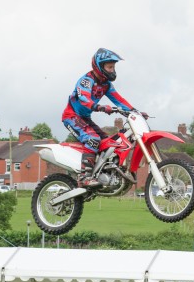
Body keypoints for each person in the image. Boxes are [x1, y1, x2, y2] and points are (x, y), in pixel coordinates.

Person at [62, 47, 147, 188]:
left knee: (108, 143)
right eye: (109, 67)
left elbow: (119, 100)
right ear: (99, 66)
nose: (113, 70)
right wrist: (99, 107)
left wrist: (135, 112)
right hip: (72, 116)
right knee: (92, 139)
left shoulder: (106, 85)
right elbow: (84, 98)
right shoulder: (86, 81)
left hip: (85, 118)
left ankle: (101, 172)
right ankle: (84, 177)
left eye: (113, 67)